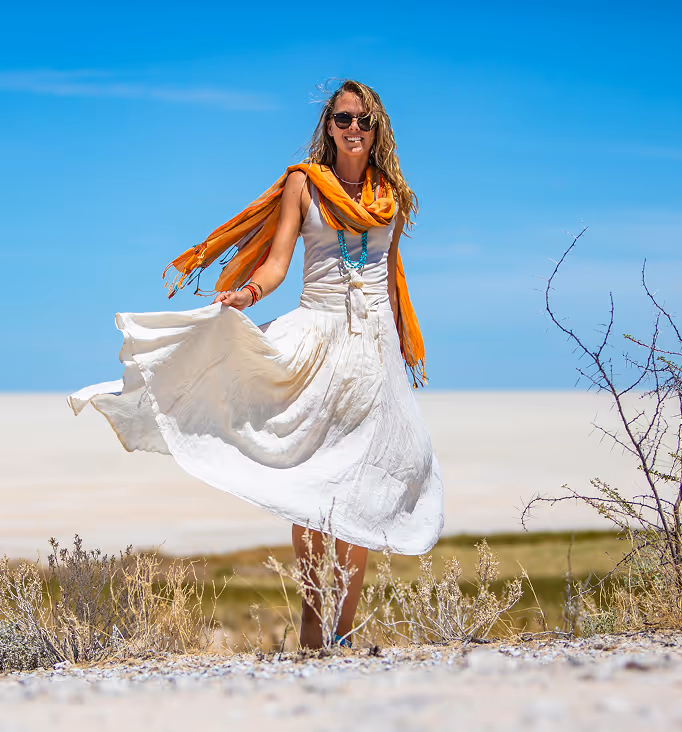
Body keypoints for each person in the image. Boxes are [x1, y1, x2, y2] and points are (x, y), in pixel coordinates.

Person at [68, 80, 444, 649]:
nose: (354, 130)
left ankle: (343, 634)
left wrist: (397, 349)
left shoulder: (390, 194)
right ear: (328, 125)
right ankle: (313, 630)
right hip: (316, 339)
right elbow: (277, 264)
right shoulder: (304, 184)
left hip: (371, 354)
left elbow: (389, 279)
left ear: (378, 127)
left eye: (364, 121)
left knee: (362, 489)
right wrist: (244, 294)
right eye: (343, 119)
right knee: (314, 489)